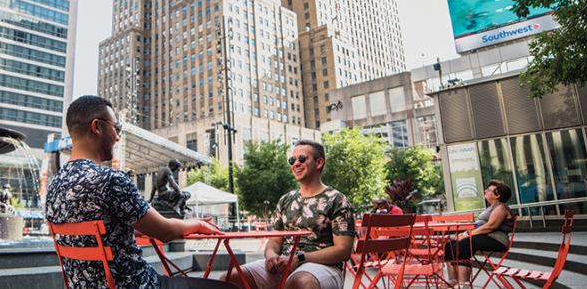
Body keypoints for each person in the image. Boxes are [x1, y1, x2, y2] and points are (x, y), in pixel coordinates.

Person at [46, 95, 235, 289]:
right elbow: (166, 231)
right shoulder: (110, 179)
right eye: (116, 128)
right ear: (97, 127)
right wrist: (197, 224)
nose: (118, 136)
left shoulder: (54, 188)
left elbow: (101, 230)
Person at [225, 140, 356, 289]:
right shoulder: (285, 200)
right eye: (292, 160)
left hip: (324, 266)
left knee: (300, 283)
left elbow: (343, 250)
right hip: (284, 265)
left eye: (302, 159)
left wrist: (299, 259)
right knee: (231, 277)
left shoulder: (337, 200)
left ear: (319, 163)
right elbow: (274, 241)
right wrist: (271, 256)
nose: (295, 164)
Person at [444, 180, 515, 289]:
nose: (485, 191)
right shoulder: (491, 208)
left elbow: (491, 226)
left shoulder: (501, 208)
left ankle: (464, 283)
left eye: (489, 190)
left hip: (497, 240)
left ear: (498, 195)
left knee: (465, 244)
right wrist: (466, 233)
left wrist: (469, 235)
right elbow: (479, 226)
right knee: (449, 245)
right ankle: (453, 280)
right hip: (485, 237)